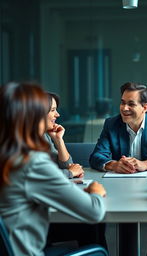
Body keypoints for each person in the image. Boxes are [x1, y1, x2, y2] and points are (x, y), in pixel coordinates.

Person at [0, 82, 106, 256]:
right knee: (93, 228)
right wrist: (96, 192)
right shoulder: (30, 162)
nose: (56, 114)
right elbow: (94, 211)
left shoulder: (10, 155)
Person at [89, 82, 147, 173]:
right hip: (120, 181)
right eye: (122, 103)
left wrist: (146, 164)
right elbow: (96, 156)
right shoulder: (111, 124)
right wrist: (114, 165)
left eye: (131, 104)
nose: (124, 108)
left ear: (145, 107)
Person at [45, 92, 84, 178]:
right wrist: (70, 173)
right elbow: (40, 176)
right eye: (52, 110)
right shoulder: (25, 140)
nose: (57, 114)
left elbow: (66, 165)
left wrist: (58, 140)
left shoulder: (45, 136)